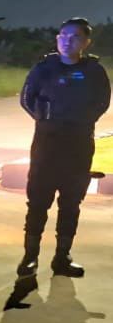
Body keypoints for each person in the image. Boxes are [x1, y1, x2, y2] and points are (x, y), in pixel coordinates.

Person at [17, 17, 110, 278]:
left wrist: (81, 121)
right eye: (63, 36)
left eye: (75, 36)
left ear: (86, 42)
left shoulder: (94, 71)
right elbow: (27, 98)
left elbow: (102, 102)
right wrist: (45, 119)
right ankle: (30, 257)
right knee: (37, 202)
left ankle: (62, 256)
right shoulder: (44, 68)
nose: (67, 41)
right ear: (58, 39)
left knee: (71, 203)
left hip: (79, 145)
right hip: (47, 145)